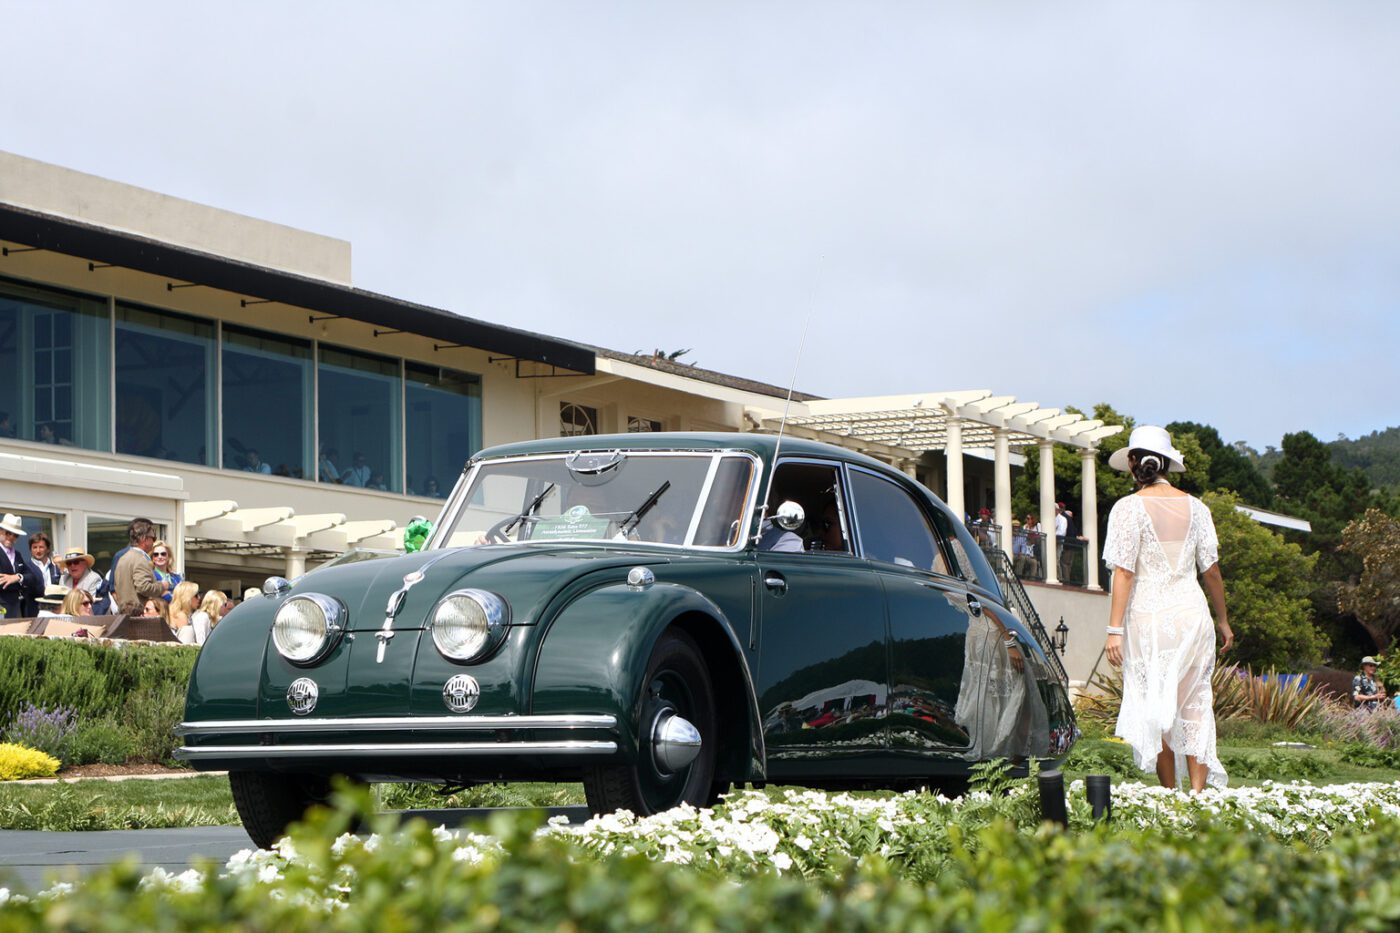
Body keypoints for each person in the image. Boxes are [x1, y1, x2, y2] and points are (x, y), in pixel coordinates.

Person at [1103, 425, 1233, 792]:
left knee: (1155, 704)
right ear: (1167, 463)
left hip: (1149, 619)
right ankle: (1197, 794)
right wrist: (1223, 620)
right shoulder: (1198, 508)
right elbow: (1212, 571)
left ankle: (1169, 794)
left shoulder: (1127, 509)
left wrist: (1114, 630)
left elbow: (1124, 572)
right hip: (1193, 617)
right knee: (1195, 702)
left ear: (1133, 463)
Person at [111, 517, 165, 615]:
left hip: (125, 616)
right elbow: (143, 587)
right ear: (144, 539)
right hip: (140, 618)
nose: (154, 542)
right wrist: (162, 586)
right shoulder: (140, 559)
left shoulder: (122, 558)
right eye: (153, 538)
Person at [0, 513, 43, 619]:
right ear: (0, 531)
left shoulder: (17, 554)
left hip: (17, 607)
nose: (11, 537)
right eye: (8, 533)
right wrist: (21, 582)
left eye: (15, 535)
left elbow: (32, 577)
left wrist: (17, 577)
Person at [58, 547, 109, 614]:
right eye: (69, 563)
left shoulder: (94, 579)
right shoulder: (63, 579)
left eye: (76, 562)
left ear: (85, 563)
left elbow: (89, 606)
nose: (72, 565)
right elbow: (59, 602)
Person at [23, 532, 60, 617]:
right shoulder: (26, 567)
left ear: (47, 549)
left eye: (41, 547)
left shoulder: (55, 566)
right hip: (33, 612)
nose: (38, 550)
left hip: (55, 611)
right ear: (30, 549)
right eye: (34, 547)